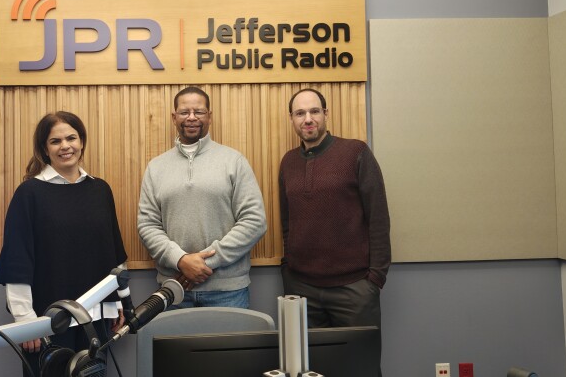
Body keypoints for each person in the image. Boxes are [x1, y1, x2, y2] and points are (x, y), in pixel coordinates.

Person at [0, 111, 128, 377]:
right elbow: (17, 262)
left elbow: (111, 252)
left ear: (82, 142)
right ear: (45, 149)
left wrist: (117, 303)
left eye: (71, 138)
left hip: (96, 319)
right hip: (48, 322)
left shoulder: (100, 190)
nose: (65, 146)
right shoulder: (29, 194)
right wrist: (25, 323)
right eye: (56, 141)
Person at [138, 86, 267, 309]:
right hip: (174, 289)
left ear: (209, 116)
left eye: (198, 112)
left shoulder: (233, 161)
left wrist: (203, 263)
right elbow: (147, 225)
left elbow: (254, 221)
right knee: (173, 346)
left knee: (229, 346)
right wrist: (181, 260)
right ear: (174, 117)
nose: (191, 118)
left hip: (228, 292)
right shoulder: (156, 167)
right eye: (184, 112)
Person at [278, 88, 390, 331]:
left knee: (359, 367)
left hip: (353, 289)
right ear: (292, 119)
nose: (308, 119)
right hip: (301, 290)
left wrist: (375, 279)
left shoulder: (355, 152)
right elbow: (287, 224)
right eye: (300, 113)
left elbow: (378, 218)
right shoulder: (288, 162)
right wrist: (289, 271)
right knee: (308, 367)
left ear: (326, 114)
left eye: (314, 111)